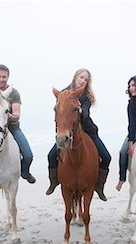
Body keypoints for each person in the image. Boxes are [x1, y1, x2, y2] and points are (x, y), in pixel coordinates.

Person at [46, 68, 112, 201]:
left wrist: (80, 109)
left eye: (86, 80)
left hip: (88, 131)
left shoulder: (86, 96)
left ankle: (99, 186)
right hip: (69, 132)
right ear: (75, 77)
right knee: (51, 155)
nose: (83, 81)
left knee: (106, 157)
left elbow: (86, 113)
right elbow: (59, 112)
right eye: (81, 77)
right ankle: (53, 182)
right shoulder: (63, 94)